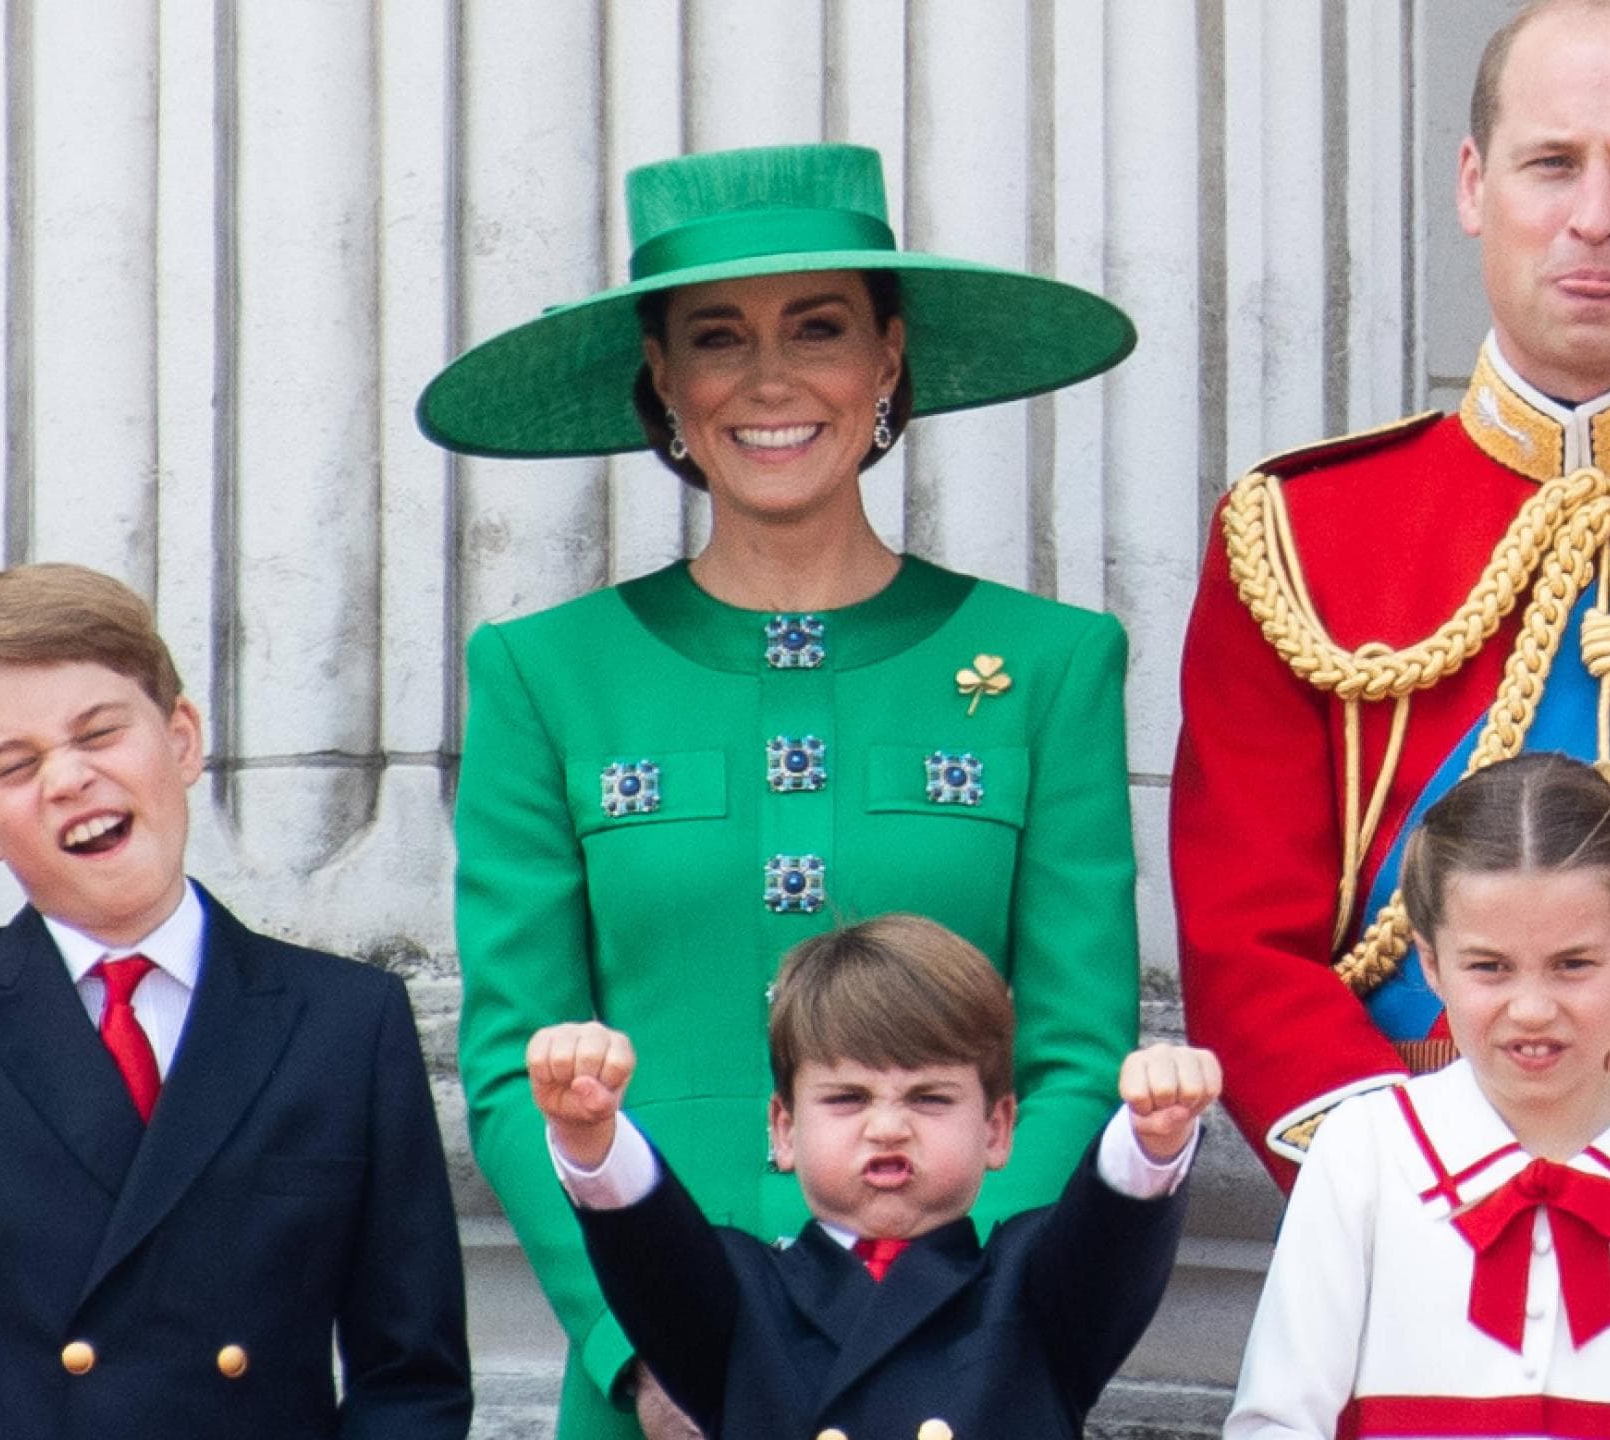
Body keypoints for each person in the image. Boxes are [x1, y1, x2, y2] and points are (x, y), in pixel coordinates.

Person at [1171, 0, 1610, 1388]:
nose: (1596, 217)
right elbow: (1245, 948)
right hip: (1410, 1243)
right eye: (1553, 164)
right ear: (1475, 186)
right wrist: (1423, 1183)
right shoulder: (1301, 531)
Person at [420, 142, 1143, 1438]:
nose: (769, 380)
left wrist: (972, 1316)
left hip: (960, 1380)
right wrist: (641, 1353)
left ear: (888, 358)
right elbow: (512, 1068)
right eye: (715, 337)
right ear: (663, 378)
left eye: (818, 328)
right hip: (662, 1390)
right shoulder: (544, 674)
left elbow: (1078, 1050)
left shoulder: (1051, 666)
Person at [0, 563, 471, 1438]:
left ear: (182, 738)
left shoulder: (345, 1024)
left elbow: (410, 1377)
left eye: (98, 734)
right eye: (15, 765)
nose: (69, 779)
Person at [1224, 754, 1610, 1438]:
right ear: (1430, 962)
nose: (1531, 1008)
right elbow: (1275, 1421)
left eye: (1573, 965)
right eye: (1489, 967)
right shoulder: (1364, 1150)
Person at [527, 914, 1219, 1440]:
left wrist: (1153, 1132)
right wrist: (589, 1133)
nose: (888, 1128)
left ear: (998, 1129)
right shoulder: (742, 1298)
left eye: (930, 1099)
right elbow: (647, 1243)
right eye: (847, 1099)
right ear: (784, 1129)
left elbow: (1113, 1231)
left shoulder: (1032, 1290)